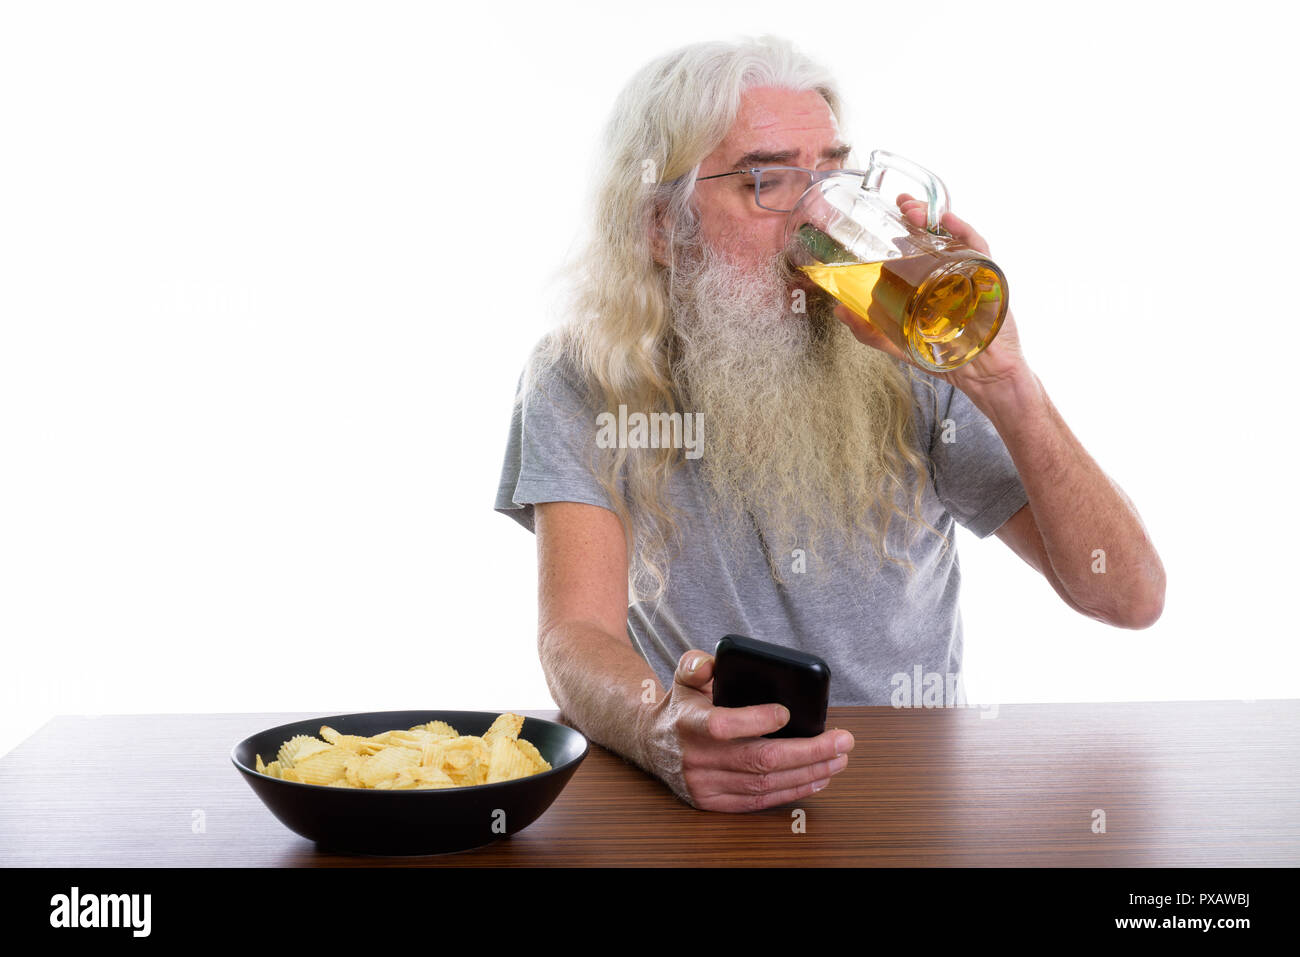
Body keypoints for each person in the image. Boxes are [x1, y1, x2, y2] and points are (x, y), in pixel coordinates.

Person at [494, 35, 1165, 813]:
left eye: (832, 175)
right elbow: (574, 635)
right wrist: (659, 727)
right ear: (660, 228)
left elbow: (1129, 598)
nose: (822, 220)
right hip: (698, 796)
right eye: (767, 182)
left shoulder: (912, 347)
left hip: (907, 790)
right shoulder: (584, 372)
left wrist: (1006, 381)